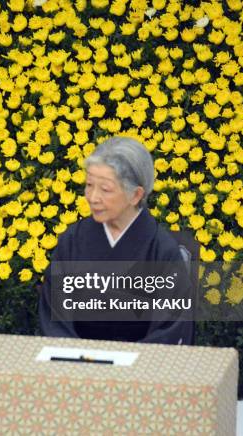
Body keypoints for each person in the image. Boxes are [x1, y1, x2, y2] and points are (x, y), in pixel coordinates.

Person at [39, 136, 193, 344]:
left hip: (141, 367)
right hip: (77, 363)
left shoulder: (162, 251)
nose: (93, 197)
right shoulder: (72, 242)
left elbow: (169, 330)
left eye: (105, 189)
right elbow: (55, 320)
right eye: (89, 185)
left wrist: (123, 366)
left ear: (136, 195)